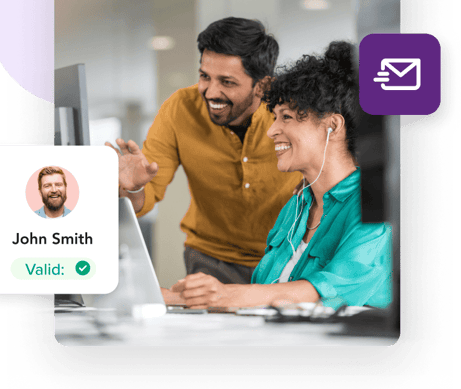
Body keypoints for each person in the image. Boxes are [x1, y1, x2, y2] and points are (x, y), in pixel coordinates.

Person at [167, 41, 392, 309]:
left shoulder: (375, 206)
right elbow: (264, 292)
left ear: (333, 126)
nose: (271, 131)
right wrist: (174, 297)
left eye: (285, 117)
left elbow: (324, 292)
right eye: (274, 117)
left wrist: (222, 294)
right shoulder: (296, 206)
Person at [107, 17, 302, 285]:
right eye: (204, 77)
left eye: (227, 82)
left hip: (286, 257)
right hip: (212, 258)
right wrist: (133, 188)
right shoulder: (180, 109)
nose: (211, 92)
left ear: (262, 86)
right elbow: (147, 194)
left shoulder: (295, 112)